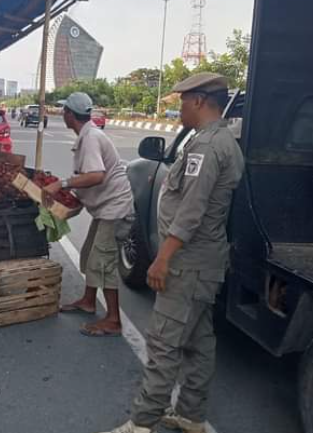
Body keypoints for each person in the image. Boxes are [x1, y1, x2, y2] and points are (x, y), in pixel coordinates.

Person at [100, 73, 244, 433]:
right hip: (201, 263)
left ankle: (142, 422)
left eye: (182, 101)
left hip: (187, 264)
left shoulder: (210, 147)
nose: (178, 108)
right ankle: (191, 415)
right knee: (198, 341)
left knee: (163, 343)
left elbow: (191, 211)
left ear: (199, 101)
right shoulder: (211, 140)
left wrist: (162, 258)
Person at [43, 92, 134, 337]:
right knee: (89, 255)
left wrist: (60, 184)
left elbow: (96, 176)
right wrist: (69, 199)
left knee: (102, 262)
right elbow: (88, 181)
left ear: (70, 115)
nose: (62, 114)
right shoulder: (86, 136)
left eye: (64, 111)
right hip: (105, 208)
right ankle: (88, 300)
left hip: (114, 209)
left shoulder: (92, 138)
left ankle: (114, 320)